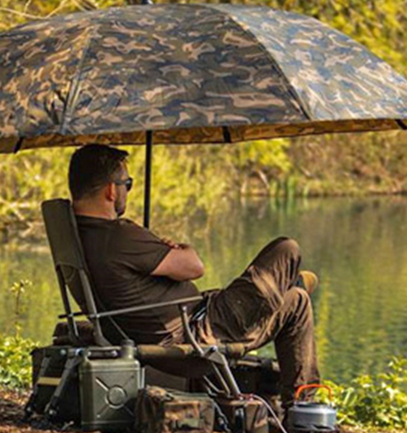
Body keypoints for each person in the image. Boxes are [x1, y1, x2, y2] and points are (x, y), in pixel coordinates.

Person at [68, 144, 320, 407]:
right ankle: (302, 405)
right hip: (198, 336)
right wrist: (181, 248)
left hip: (179, 326)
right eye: (127, 183)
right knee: (286, 249)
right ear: (111, 190)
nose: (127, 191)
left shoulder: (78, 235)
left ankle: (301, 405)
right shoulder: (118, 236)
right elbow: (194, 267)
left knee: (297, 301)